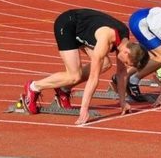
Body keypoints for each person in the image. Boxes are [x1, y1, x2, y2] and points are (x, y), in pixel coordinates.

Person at [22, 9, 150, 125]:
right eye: (128, 63)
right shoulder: (105, 41)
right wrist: (84, 109)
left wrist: (123, 102)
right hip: (67, 25)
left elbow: (122, 73)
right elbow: (93, 78)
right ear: (127, 52)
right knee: (74, 75)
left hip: (83, 28)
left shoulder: (124, 40)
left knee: (105, 64)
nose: (126, 65)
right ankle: (34, 87)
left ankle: (63, 89)